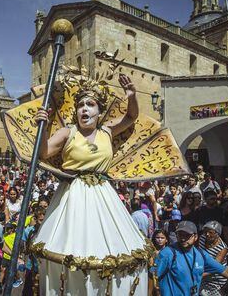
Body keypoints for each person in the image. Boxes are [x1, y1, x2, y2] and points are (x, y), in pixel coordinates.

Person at [32, 74, 149, 294]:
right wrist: (43, 126)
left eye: (90, 104)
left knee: (111, 249)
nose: (84, 109)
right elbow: (44, 152)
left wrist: (132, 95)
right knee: (70, 249)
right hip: (72, 195)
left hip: (104, 196)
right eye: (80, 105)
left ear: (99, 111)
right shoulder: (68, 132)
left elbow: (132, 116)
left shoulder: (107, 131)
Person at [155, 221, 228, 296]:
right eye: (180, 235)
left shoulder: (201, 254)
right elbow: (153, 276)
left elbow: (226, 271)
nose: (183, 238)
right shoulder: (167, 253)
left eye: (187, 235)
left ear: (195, 237)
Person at [199, 221, 228, 296]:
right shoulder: (202, 238)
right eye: (205, 232)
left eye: (210, 232)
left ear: (217, 234)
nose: (207, 234)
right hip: (202, 273)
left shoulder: (222, 249)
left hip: (216, 279)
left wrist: (197, 275)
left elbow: (214, 268)